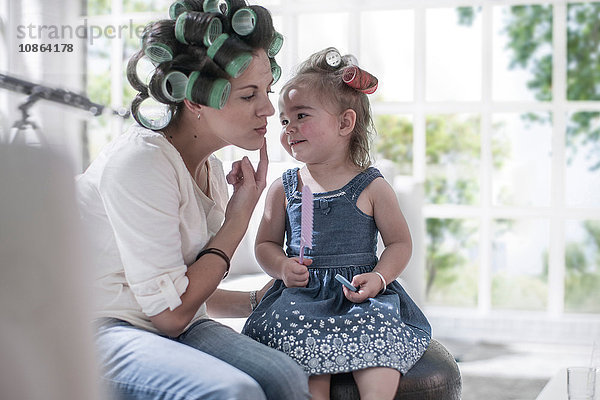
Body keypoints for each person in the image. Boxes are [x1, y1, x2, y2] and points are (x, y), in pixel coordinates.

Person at [76, 1, 309, 399]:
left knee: (286, 377)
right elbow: (169, 314)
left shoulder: (211, 171)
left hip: (171, 322)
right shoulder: (142, 163)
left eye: (266, 91)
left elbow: (181, 294)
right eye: (249, 95)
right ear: (195, 100)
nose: (270, 109)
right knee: (233, 391)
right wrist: (238, 219)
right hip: (102, 328)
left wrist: (268, 298)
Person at [242, 47, 432, 400]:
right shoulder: (284, 189)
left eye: (301, 116)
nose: (289, 127)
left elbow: (400, 244)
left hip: (359, 294)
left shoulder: (372, 186)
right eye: (284, 120)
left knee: (379, 344)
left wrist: (379, 278)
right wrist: (282, 266)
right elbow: (264, 245)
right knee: (302, 354)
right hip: (303, 297)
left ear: (345, 123)